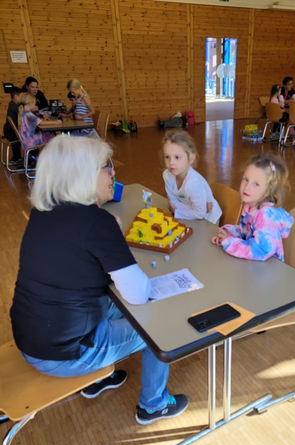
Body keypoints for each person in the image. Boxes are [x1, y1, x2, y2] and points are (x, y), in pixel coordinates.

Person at [10, 135, 188, 426]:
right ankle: (153, 405)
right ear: (83, 175)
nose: (113, 173)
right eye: (106, 167)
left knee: (112, 302)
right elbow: (139, 294)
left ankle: (94, 379)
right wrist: (114, 239)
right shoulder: (97, 223)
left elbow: (77, 270)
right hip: (66, 354)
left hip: (32, 339)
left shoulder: (42, 212)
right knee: (161, 323)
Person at [211, 153, 294, 261]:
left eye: (256, 184)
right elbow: (245, 232)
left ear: (268, 191)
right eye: (245, 179)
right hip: (250, 265)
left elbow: (261, 250)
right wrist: (229, 232)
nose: (247, 187)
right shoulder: (249, 205)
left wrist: (229, 242)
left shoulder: (265, 217)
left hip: (266, 271)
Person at [162, 129, 222, 224]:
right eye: (167, 157)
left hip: (209, 221)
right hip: (191, 217)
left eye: (177, 157)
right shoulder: (167, 175)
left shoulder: (193, 183)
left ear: (191, 158)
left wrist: (177, 211)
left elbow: (199, 214)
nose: (171, 163)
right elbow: (172, 204)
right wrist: (190, 210)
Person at [3, 86, 22, 163]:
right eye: (21, 96)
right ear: (16, 96)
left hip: (9, 131)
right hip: (12, 133)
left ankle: (17, 157)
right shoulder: (16, 107)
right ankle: (17, 158)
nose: (22, 98)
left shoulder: (12, 104)